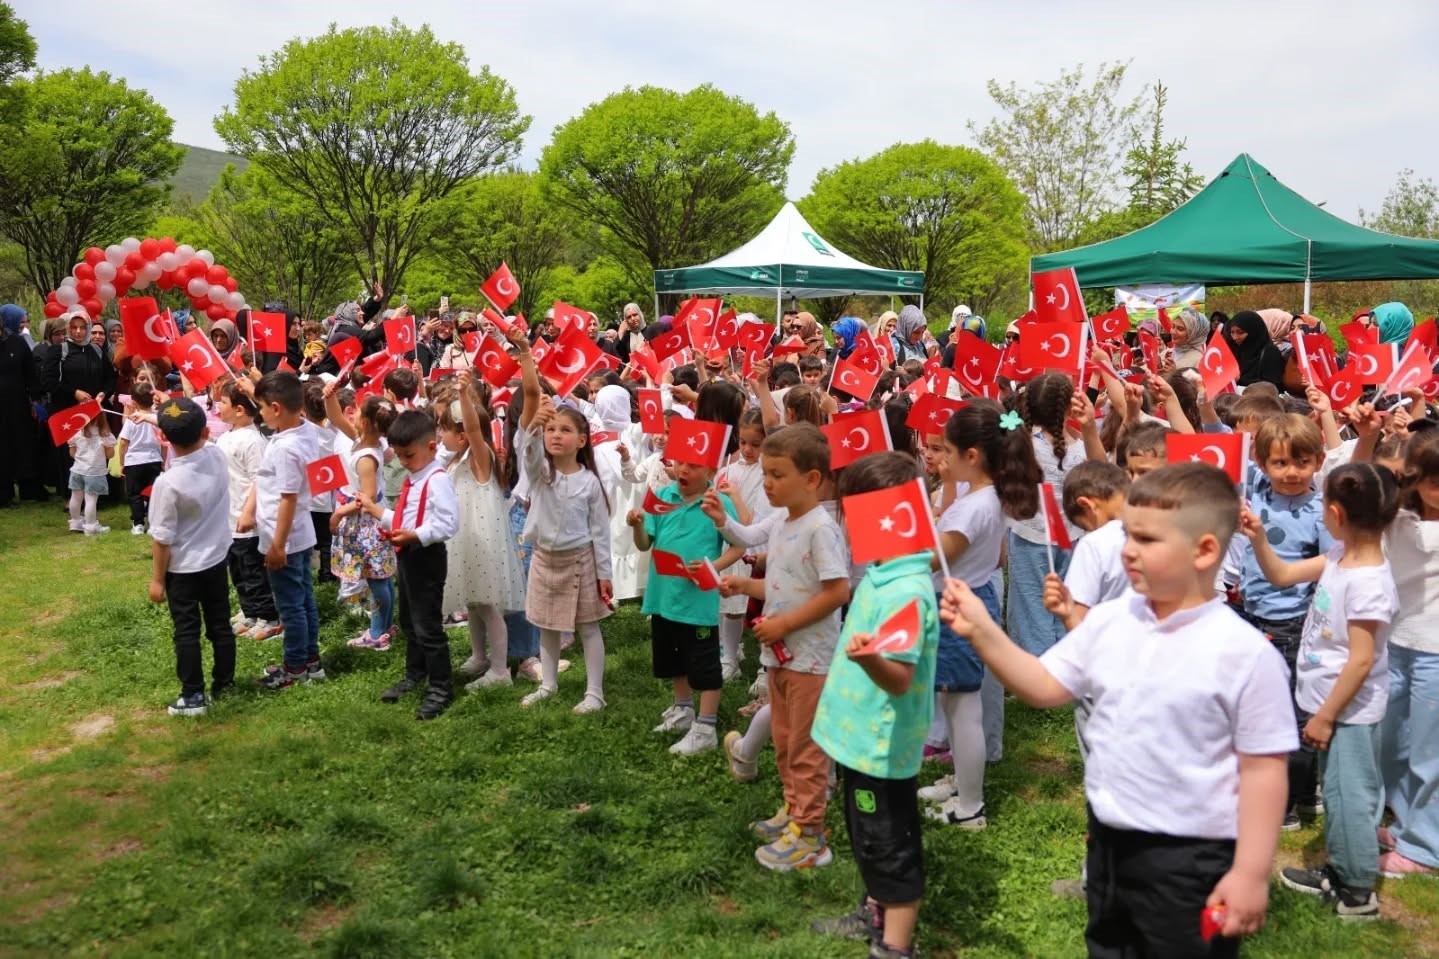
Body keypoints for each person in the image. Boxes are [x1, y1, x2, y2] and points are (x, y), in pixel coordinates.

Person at [941, 462, 1297, 955]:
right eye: (1127, 534)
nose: (1127, 549)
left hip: (1191, 857)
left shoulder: (1245, 655)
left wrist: (1251, 873)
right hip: (1109, 841)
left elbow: (1264, 771)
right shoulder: (1110, 621)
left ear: (1204, 551)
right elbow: (1044, 685)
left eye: (1146, 540)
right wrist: (983, 632)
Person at [1238, 464, 1399, 920]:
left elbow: (1362, 660)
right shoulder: (1339, 556)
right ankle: (1343, 866)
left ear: (1335, 513)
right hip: (1332, 706)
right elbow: (1283, 575)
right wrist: (1258, 538)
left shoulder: (1368, 582)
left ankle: (1356, 892)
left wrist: (1326, 716)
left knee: (1350, 799)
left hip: (1347, 713)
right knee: (1340, 791)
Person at [810, 453, 942, 959]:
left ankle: (895, 946)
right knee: (868, 839)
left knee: (890, 845)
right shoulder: (884, 574)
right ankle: (875, 908)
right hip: (859, 740)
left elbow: (899, 678)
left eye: (854, 513)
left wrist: (869, 661)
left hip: (880, 748)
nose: (848, 524)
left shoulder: (906, 591)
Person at [715, 423, 851, 871]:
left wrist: (785, 624)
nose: (768, 484)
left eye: (777, 475)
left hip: (810, 659)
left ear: (811, 479)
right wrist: (744, 584)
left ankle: (810, 836)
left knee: (808, 749)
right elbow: (784, 584)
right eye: (766, 474)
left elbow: (837, 591)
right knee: (786, 741)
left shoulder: (821, 529)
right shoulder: (783, 523)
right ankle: (794, 812)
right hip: (779, 653)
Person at [921, 400, 1040, 829]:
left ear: (971, 456)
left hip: (961, 606)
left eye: (948, 452)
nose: (942, 459)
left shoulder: (975, 507)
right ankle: (961, 781)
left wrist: (896, 540)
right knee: (954, 703)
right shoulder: (980, 496)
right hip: (963, 602)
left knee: (963, 709)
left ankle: (970, 805)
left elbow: (934, 558)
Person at [1238, 413, 1333, 829]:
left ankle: (1290, 802)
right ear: (1262, 463)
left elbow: (1332, 563)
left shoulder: (1321, 510)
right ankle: (1304, 793)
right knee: (1265, 706)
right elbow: (1208, 449)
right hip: (1253, 615)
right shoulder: (1256, 489)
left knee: (1292, 712)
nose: (1291, 472)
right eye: (1280, 463)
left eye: (1302, 462)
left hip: (1293, 623)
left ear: (1319, 461)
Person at [628, 447, 743, 755]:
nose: (683, 470)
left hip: (697, 604)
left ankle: (706, 727)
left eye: (693, 465)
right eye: (680, 462)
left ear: (711, 471)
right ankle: (683, 709)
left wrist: (711, 568)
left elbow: (738, 546)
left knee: (704, 664)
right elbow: (644, 544)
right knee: (672, 659)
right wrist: (637, 525)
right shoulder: (662, 496)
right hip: (663, 598)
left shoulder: (718, 503)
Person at [517, 390, 613, 715]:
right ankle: (548, 684)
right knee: (547, 625)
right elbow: (528, 456)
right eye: (551, 429)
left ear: (582, 440)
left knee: (588, 627)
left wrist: (605, 574)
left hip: (581, 562)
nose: (556, 435)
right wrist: (534, 427)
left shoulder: (590, 483)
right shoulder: (541, 474)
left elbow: (600, 533)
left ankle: (595, 693)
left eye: (565, 430)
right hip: (544, 559)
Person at [361, 409, 461, 720]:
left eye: (408, 455)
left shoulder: (437, 479)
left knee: (427, 625)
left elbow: (448, 523)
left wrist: (415, 535)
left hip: (426, 557)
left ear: (431, 447)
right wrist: (378, 512)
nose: (403, 461)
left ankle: (441, 687)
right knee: (409, 620)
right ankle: (415, 673)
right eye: (400, 455)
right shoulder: (416, 477)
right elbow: (407, 518)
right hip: (408, 553)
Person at [146, 397, 236, 717]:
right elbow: (195, 435)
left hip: (183, 570)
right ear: (206, 432)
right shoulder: (216, 455)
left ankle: (193, 695)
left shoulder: (167, 483)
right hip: (216, 560)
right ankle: (225, 683)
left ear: (163, 438)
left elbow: (162, 539)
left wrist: (158, 580)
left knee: (186, 631)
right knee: (220, 624)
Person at [1377, 429, 1439, 878]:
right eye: (1431, 476)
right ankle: (1407, 823)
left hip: (1435, 655)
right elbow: (1347, 486)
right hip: (1396, 644)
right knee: (1391, 745)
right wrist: (1366, 439)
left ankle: (1425, 848)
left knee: (1431, 754)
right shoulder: (1395, 518)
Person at [440, 372, 527, 689]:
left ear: (463, 435)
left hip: (482, 538)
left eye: (445, 429)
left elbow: (475, 427)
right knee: (473, 601)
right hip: (465, 537)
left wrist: (464, 394)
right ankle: (479, 655)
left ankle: (500, 670)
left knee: (488, 604)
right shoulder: (456, 459)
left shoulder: (481, 457)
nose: (440, 434)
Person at [241, 371, 323, 690]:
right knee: (304, 600)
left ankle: (295, 668)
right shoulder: (304, 430)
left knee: (291, 606)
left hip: (284, 538)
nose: (259, 413)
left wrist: (277, 545)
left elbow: (287, 498)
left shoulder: (286, 448)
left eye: (261, 407)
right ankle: (310, 661)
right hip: (301, 533)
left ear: (276, 408)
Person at [1007, 374, 1085, 655]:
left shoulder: (1021, 444)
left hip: (1030, 535)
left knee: (1031, 606)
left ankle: (1037, 665)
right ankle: (1064, 661)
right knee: (1067, 601)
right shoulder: (1081, 446)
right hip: (1071, 536)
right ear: (1069, 407)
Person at [325, 388, 399, 652]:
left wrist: (339, 513)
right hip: (368, 521)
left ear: (365, 422)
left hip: (367, 525)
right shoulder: (364, 440)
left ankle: (378, 633)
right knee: (382, 578)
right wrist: (329, 396)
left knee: (377, 581)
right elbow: (336, 417)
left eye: (356, 411)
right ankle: (385, 625)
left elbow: (366, 497)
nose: (351, 413)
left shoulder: (366, 457)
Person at [215, 382, 280, 641]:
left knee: (254, 572)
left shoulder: (253, 441)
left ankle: (269, 617)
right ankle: (250, 611)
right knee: (238, 571)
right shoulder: (226, 437)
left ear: (240, 410)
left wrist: (249, 512)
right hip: (229, 519)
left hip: (248, 522)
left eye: (223, 402)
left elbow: (259, 479)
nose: (218, 407)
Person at [0, 304, 40, 507]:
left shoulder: (17, 342)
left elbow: (30, 373)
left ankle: (29, 489)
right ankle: (4, 494)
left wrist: (35, 400)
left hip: (18, 404)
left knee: (22, 445)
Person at [117, 383, 164, 535]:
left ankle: (138, 524)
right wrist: (163, 460)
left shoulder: (131, 420)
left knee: (135, 494)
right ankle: (152, 522)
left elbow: (123, 443)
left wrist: (122, 462)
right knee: (152, 493)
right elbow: (163, 443)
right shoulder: (158, 419)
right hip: (154, 460)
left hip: (134, 462)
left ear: (134, 401)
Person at [67, 412, 114, 536]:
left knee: (75, 497)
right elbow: (110, 455)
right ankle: (91, 526)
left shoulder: (75, 432)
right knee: (91, 500)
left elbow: (72, 453)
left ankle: (75, 522)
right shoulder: (105, 435)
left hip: (77, 470)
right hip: (95, 472)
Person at [1222, 311, 1287, 391]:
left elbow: (1273, 386)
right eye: (1232, 332)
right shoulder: (1236, 350)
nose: (1235, 337)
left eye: (1240, 332)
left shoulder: (1270, 352)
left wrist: (1239, 380)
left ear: (1254, 331)